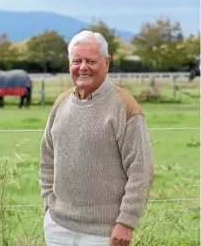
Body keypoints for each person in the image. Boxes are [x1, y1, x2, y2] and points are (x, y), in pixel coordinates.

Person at [39, 30, 154, 246]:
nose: (83, 67)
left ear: (107, 63)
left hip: (104, 233)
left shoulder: (125, 108)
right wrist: (48, 205)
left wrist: (126, 223)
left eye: (91, 61)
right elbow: (46, 158)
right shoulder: (61, 104)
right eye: (77, 61)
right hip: (58, 227)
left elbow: (141, 171)